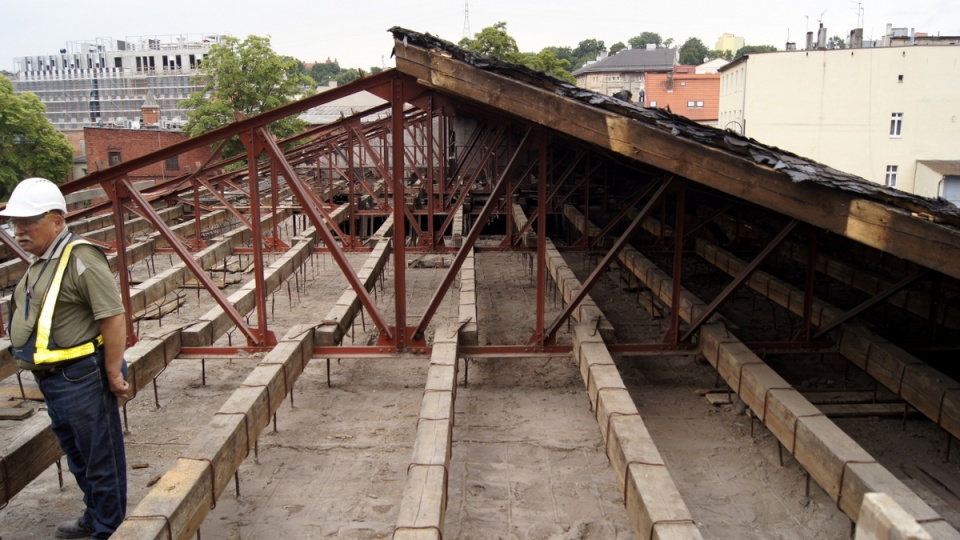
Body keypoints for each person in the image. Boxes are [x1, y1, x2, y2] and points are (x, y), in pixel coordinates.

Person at [2, 178, 129, 539]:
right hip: (54, 380)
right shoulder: (44, 260)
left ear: (57, 221)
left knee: (99, 458)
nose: (19, 231)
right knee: (77, 455)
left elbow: (112, 315)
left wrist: (112, 371)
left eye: (29, 222)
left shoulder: (80, 257)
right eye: (16, 223)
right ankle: (95, 515)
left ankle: (109, 528)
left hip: (81, 378)